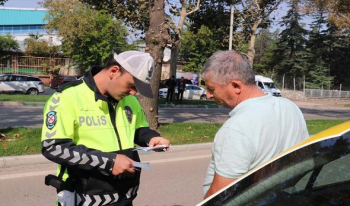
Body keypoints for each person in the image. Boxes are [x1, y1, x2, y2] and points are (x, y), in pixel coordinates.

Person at [41, 51, 170, 206]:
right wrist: (109, 162)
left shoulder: (129, 100)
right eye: (132, 86)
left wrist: (151, 137)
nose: (133, 93)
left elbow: (138, 129)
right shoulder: (67, 98)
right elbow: (53, 147)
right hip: (84, 198)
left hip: (124, 197)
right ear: (114, 71)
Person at [202, 50, 309, 199]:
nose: (208, 95)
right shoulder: (290, 107)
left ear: (236, 86)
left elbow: (221, 195)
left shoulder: (235, 129)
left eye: (211, 89)